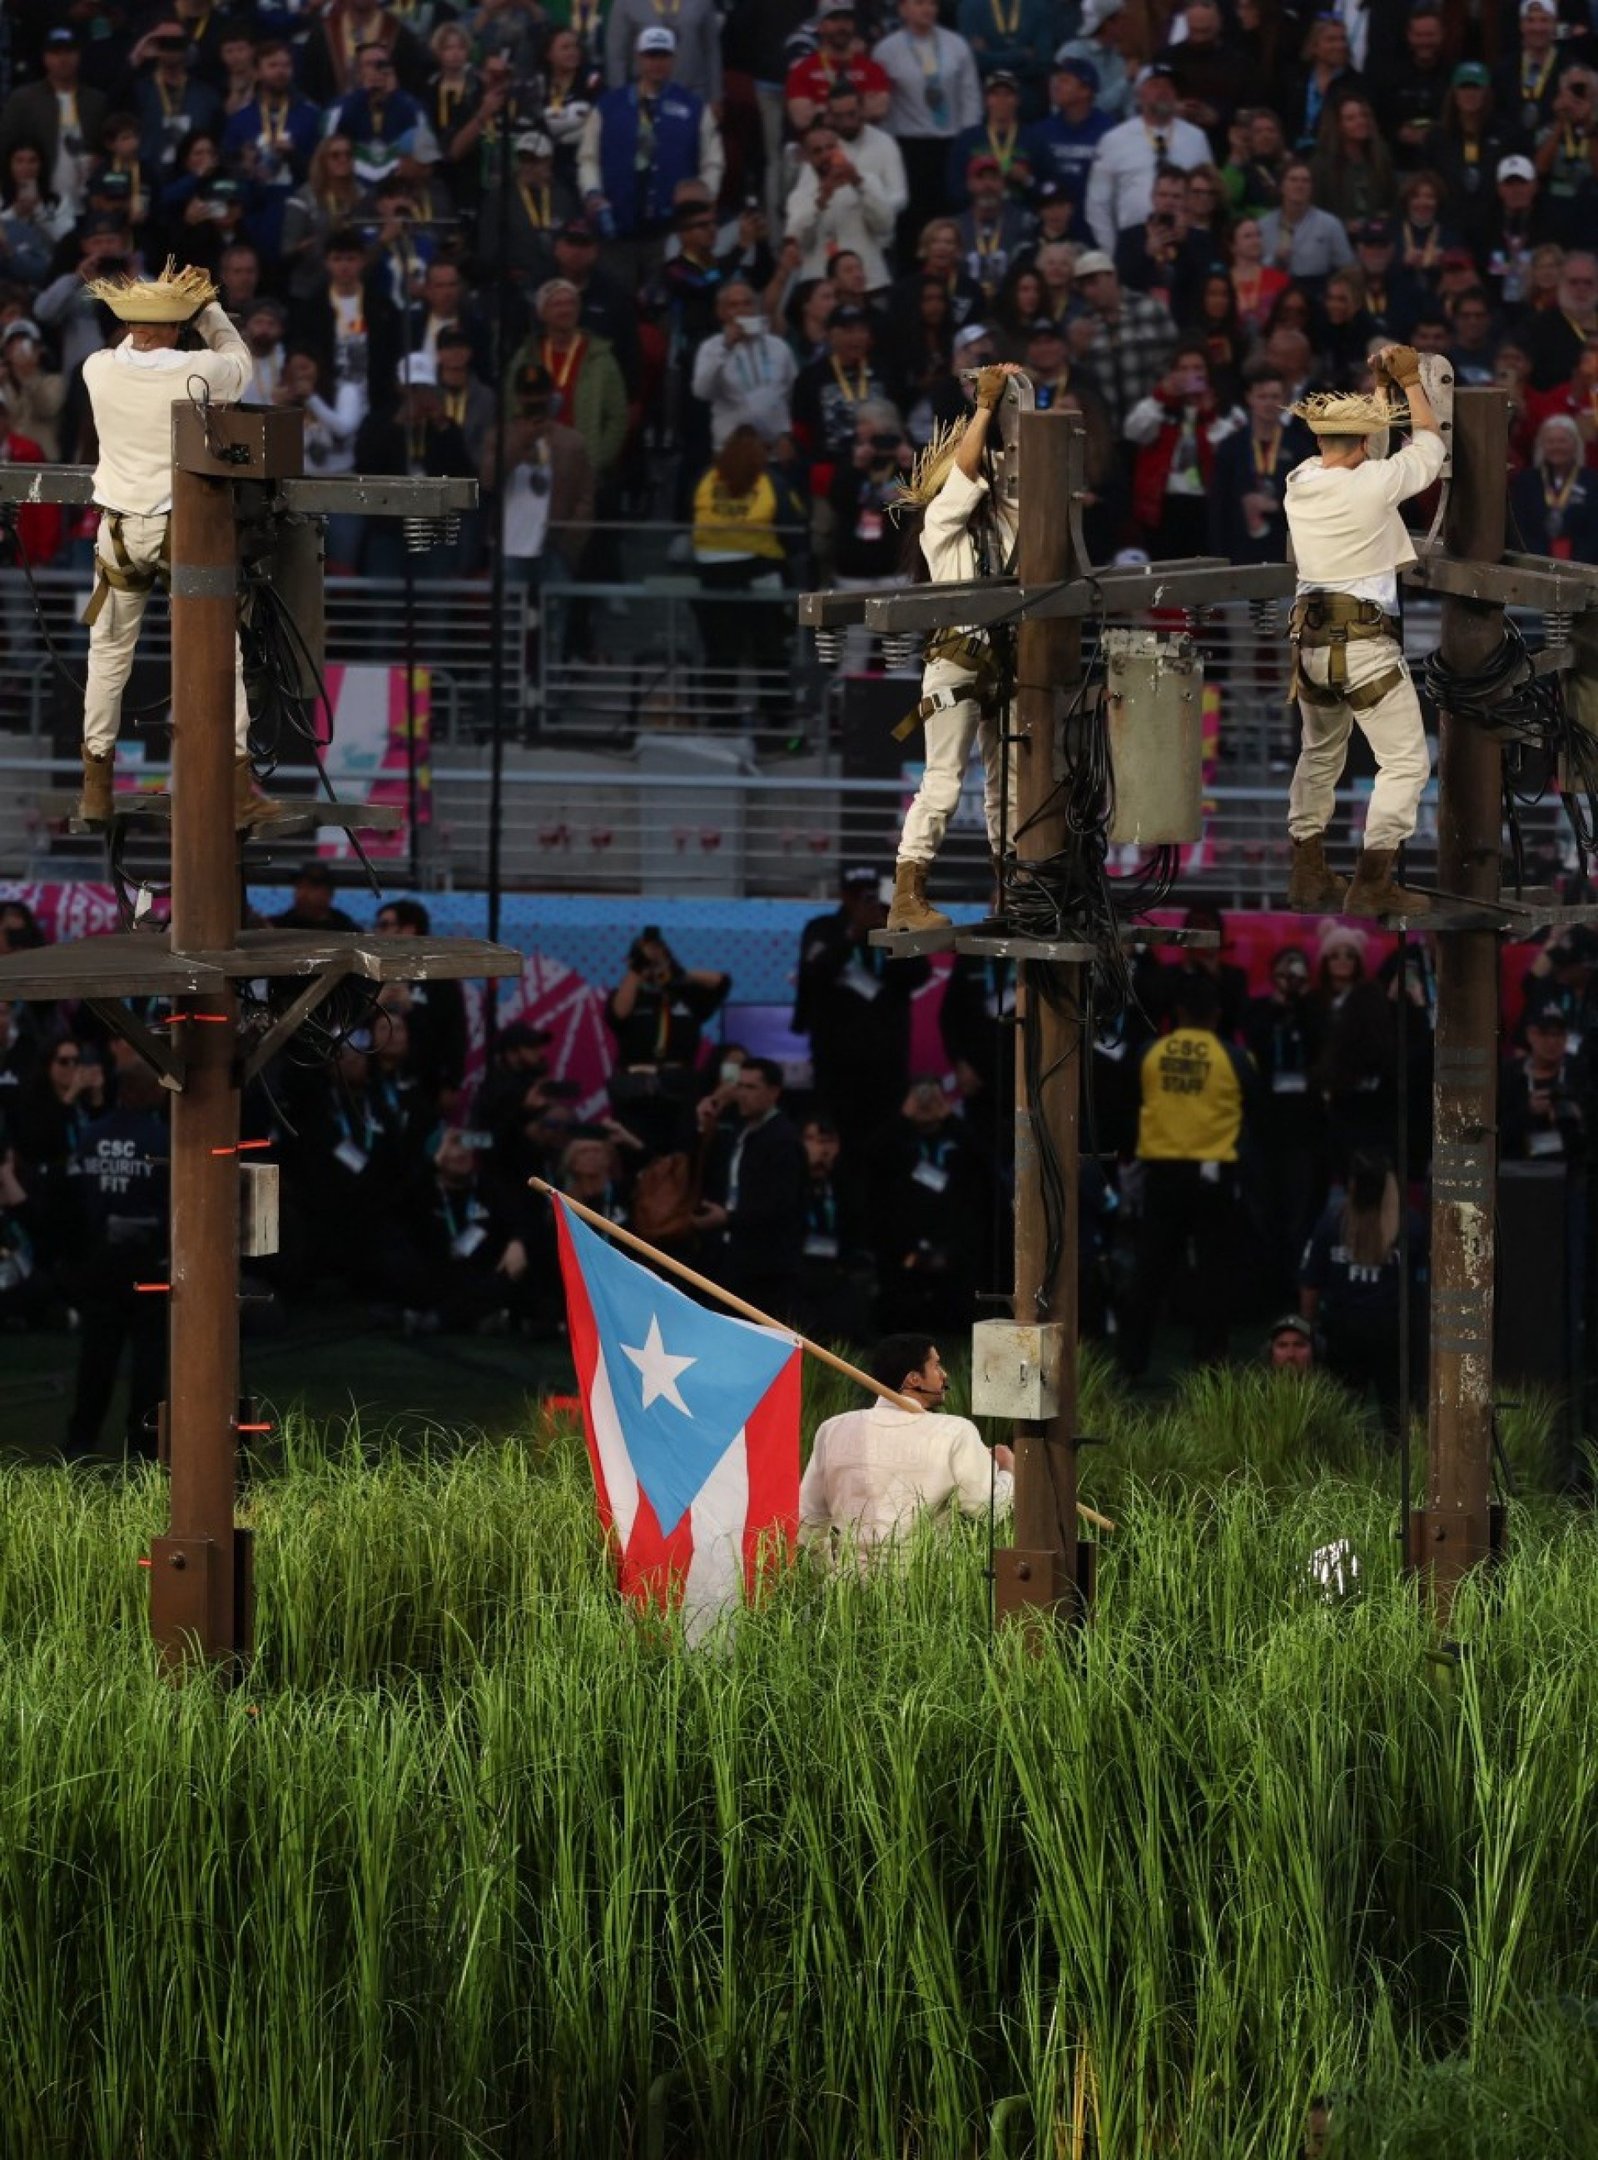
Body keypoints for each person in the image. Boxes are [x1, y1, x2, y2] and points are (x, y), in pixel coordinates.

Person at [75, 259, 272, 828]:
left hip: (116, 533)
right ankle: (234, 788)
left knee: (107, 655)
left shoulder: (98, 368)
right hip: (176, 531)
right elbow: (242, 362)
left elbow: (124, 351)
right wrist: (209, 311)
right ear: (178, 324)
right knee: (220, 655)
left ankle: (96, 784)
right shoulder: (201, 368)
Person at [1282, 345, 1447, 917]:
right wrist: (1410, 384)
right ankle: (1373, 880)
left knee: (1320, 753)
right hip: (1364, 649)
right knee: (1404, 764)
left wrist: (1379, 393)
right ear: (1360, 446)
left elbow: (1365, 452)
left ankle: (1307, 872)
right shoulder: (1377, 483)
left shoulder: (1298, 480)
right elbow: (1428, 445)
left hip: (1310, 648)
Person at [882, 361, 1025, 933]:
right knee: (942, 780)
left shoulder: (1003, 521)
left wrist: (1013, 406)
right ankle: (906, 893)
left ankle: (1011, 889)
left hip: (1003, 663)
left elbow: (1005, 467)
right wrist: (984, 407)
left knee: (1007, 788)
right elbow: (968, 474)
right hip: (957, 663)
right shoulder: (939, 519)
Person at [1119, 974, 1259, 1377]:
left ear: (1177, 1014)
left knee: (1149, 1273)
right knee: (1214, 1276)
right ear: (1216, 1016)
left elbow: (1129, 1105)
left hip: (1161, 1176)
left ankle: (1132, 1364)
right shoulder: (1235, 1059)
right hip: (1215, 1179)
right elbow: (1256, 1114)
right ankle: (1210, 1365)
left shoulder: (1149, 1053)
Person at [799, 1333, 1014, 1553]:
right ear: (914, 1379)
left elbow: (809, 1520)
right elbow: (987, 1510)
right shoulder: (955, 1431)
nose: (944, 1375)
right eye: (936, 1366)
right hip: (923, 1584)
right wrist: (1008, 1470)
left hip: (846, 1581)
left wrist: (826, 1577)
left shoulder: (833, 1429)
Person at [793, 867, 929, 1148]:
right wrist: (852, 935)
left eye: (869, 896)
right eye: (857, 897)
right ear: (843, 896)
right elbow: (815, 970)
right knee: (838, 1139)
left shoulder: (896, 928)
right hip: (836, 1063)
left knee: (886, 1142)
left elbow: (920, 973)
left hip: (886, 1061)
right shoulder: (823, 929)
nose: (864, 904)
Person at [1300, 1147, 1427, 1431]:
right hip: (1353, 1337)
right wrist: (1310, 1335)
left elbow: (1310, 1284)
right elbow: (1311, 1281)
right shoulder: (1334, 1223)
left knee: (1395, 1421)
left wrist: (1309, 1328)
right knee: (1348, 1420)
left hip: (1388, 1338)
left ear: (1351, 1185)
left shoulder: (1410, 1228)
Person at [694, 1057, 807, 1315]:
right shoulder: (737, 1131)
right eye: (739, 1086)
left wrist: (729, 1217)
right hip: (730, 1256)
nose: (742, 1094)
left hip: (766, 1268)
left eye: (751, 1087)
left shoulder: (783, 1140)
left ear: (774, 1092)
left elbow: (781, 1204)